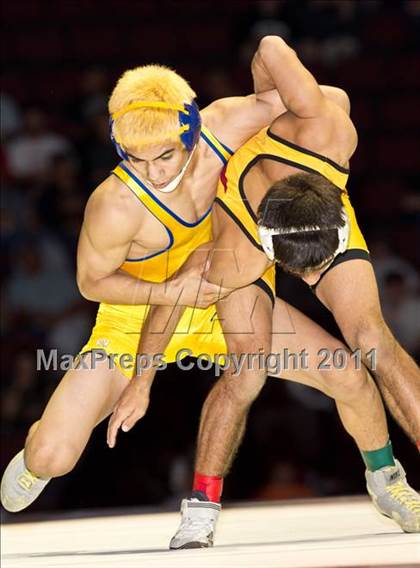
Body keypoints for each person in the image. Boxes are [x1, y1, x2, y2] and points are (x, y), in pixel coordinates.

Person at [0, 38, 345, 513]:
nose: (152, 173)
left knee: (345, 370)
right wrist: (165, 289)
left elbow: (321, 100)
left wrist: (271, 50)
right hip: (132, 322)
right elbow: (91, 283)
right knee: (51, 457)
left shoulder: (226, 123)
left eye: (164, 156)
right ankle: (37, 448)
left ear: (192, 128)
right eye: (135, 159)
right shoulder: (115, 203)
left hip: (224, 301)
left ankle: (385, 475)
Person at [106, 36, 420, 547]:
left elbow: (272, 45)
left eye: (316, 273)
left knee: (368, 346)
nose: (314, 283)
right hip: (246, 231)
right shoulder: (235, 254)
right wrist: (142, 382)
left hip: (312, 213)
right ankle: (202, 507)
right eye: (308, 275)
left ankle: (386, 479)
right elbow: (169, 301)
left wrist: (277, 96)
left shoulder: (324, 128)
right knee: (246, 369)